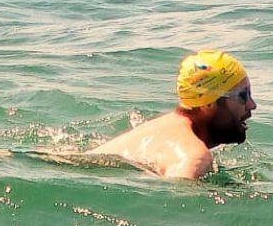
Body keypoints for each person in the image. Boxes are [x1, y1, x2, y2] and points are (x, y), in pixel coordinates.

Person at [86, 49, 256, 179]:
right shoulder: (194, 158)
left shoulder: (164, 127)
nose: (252, 104)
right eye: (243, 95)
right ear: (208, 103)